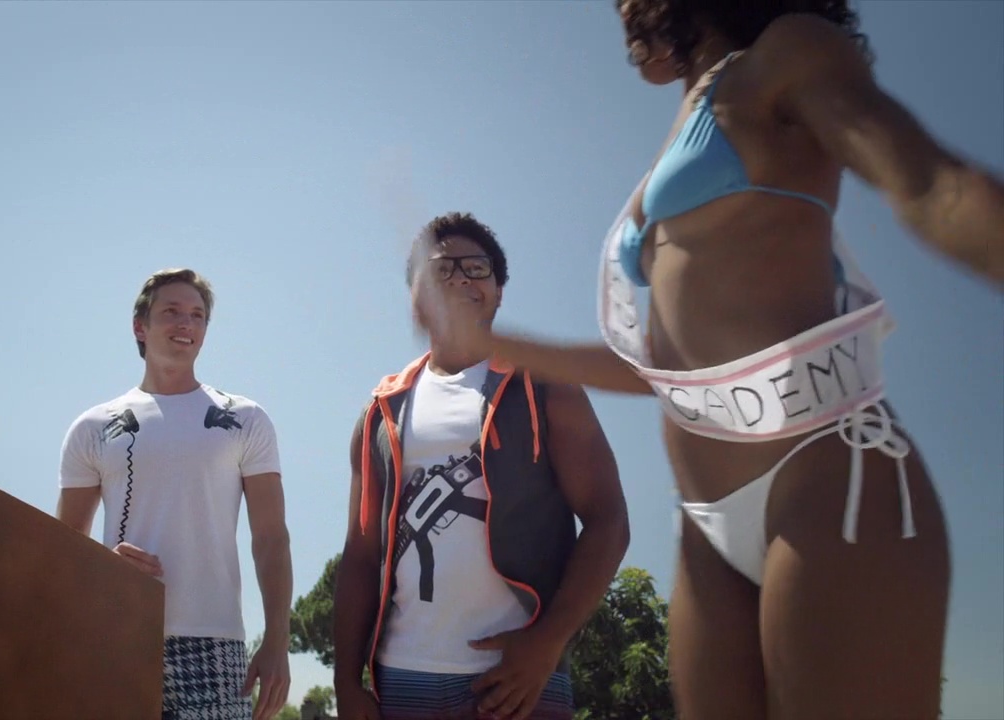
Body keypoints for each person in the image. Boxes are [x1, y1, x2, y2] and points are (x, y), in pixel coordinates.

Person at [425, 2, 1004, 718]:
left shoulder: (786, 56)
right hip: (706, 525)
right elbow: (665, 369)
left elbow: (934, 187)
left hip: (827, 480)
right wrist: (495, 346)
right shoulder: (682, 124)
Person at [333, 212, 631, 720]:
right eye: (441, 269)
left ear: (498, 292)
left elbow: (609, 520)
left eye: (476, 268)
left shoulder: (545, 385)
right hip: (401, 681)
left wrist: (548, 643)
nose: (460, 278)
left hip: (517, 678)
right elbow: (361, 555)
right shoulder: (380, 412)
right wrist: (345, 679)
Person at [55, 268, 292, 720]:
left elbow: (270, 537)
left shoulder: (246, 419)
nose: (186, 323)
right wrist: (105, 566)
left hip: (216, 647)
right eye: (172, 312)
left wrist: (277, 640)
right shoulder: (92, 427)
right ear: (140, 327)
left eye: (197, 315)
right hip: (115, 636)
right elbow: (63, 547)